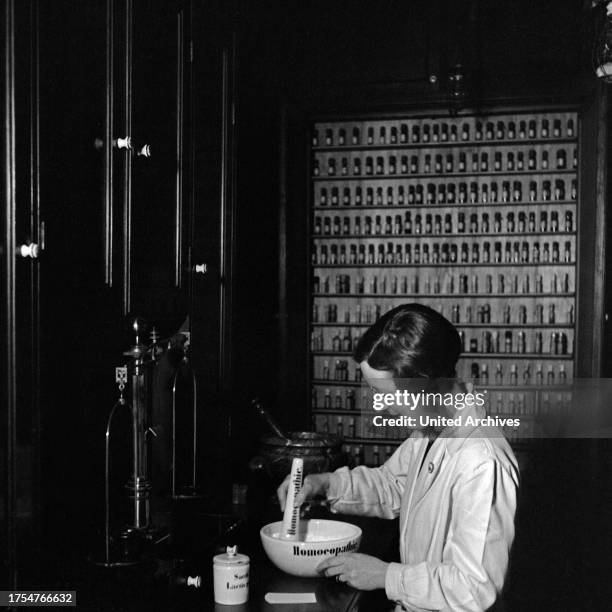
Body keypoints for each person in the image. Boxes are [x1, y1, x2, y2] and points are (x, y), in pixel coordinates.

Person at [278, 304, 519, 611]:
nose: (380, 406)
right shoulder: (431, 430)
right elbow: (392, 484)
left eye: (386, 394)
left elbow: (474, 588)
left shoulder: (482, 463)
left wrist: (385, 575)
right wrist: (325, 484)